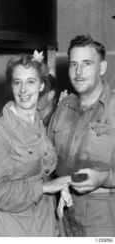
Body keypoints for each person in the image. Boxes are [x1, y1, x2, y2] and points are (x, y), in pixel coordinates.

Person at [0, 52, 71, 236]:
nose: (23, 90)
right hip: (8, 229)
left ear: (42, 85)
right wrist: (44, 188)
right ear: (10, 86)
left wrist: (60, 188)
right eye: (17, 82)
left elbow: (41, 172)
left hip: (42, 225)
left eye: (30, 82)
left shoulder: (41, 126)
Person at [48, 35, 115, 236]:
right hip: (63, 213)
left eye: (87, 64)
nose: (78, 72)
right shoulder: (62, 107)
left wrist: (104, 177)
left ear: (102, 68)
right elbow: (44, 157)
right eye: (73, 64)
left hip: (104, 215)